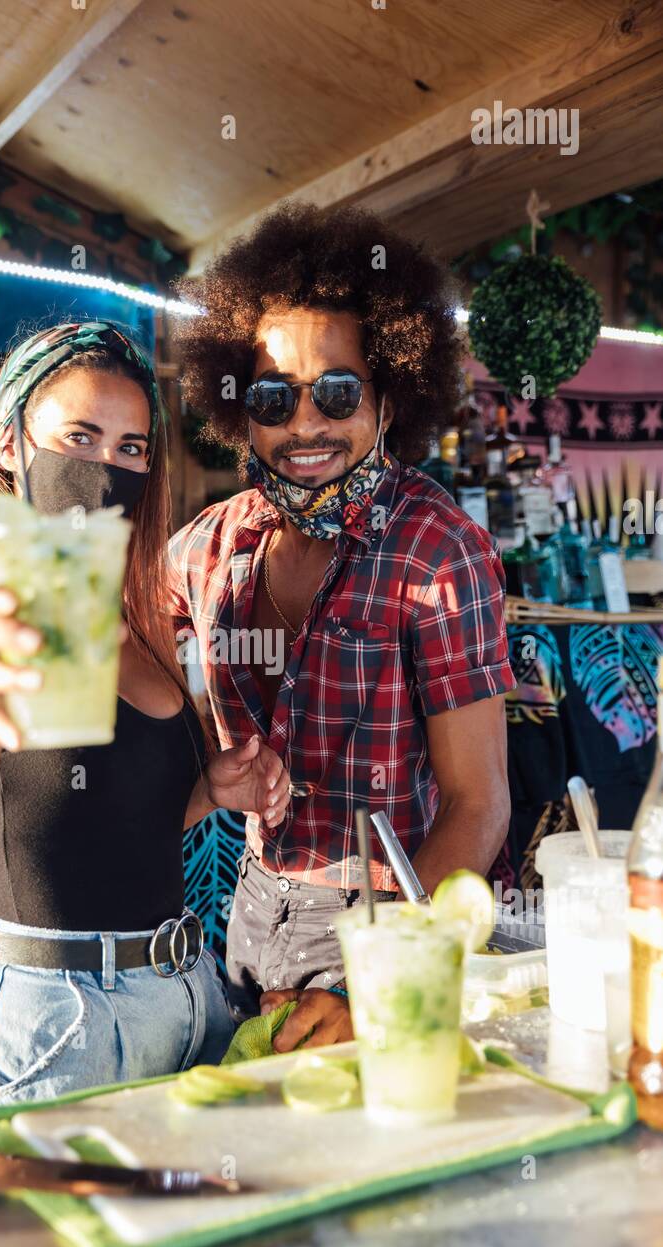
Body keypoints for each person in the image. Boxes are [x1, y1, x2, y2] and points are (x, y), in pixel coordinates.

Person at [0, 320, 290, 1132]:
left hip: (189, 1004)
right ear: (10, 444)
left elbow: (107, 820)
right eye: (80, 436)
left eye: (132, 448)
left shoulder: (138, 623)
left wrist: (212, 788)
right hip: (46, 1026)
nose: (106, 467)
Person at [170, 202, 516, 1049]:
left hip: (391, 914)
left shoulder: (437, 551)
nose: (304, 424)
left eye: (335, 391)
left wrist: (379, 983)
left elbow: (479, 805)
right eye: (272, 395)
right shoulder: (212, 543)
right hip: (246, 910)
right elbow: (91, 663)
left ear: (388, 400)